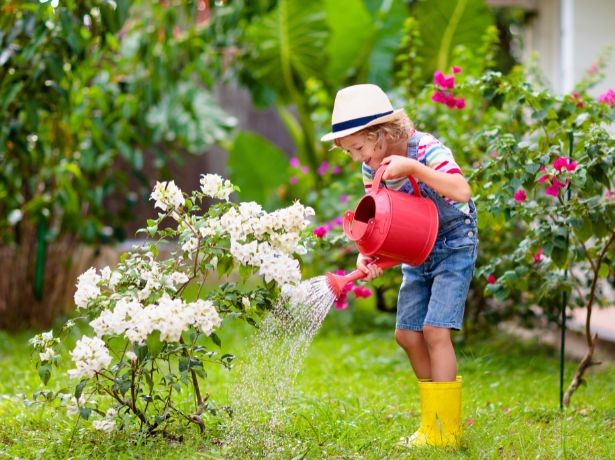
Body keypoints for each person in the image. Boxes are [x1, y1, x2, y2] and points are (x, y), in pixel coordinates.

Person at [321, 84, 478, 448]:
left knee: (435, 331)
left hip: (454, 242)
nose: (356, 158)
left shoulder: (424, 149)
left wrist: (414, 168)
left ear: (380, 134)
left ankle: (446, 431)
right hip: (414, 248)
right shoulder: (369, 169)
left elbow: (461, 191)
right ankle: (433, 423)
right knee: (407, 335)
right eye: (349, 152)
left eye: (358, 148)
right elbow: (380, 224)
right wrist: (368, 256)